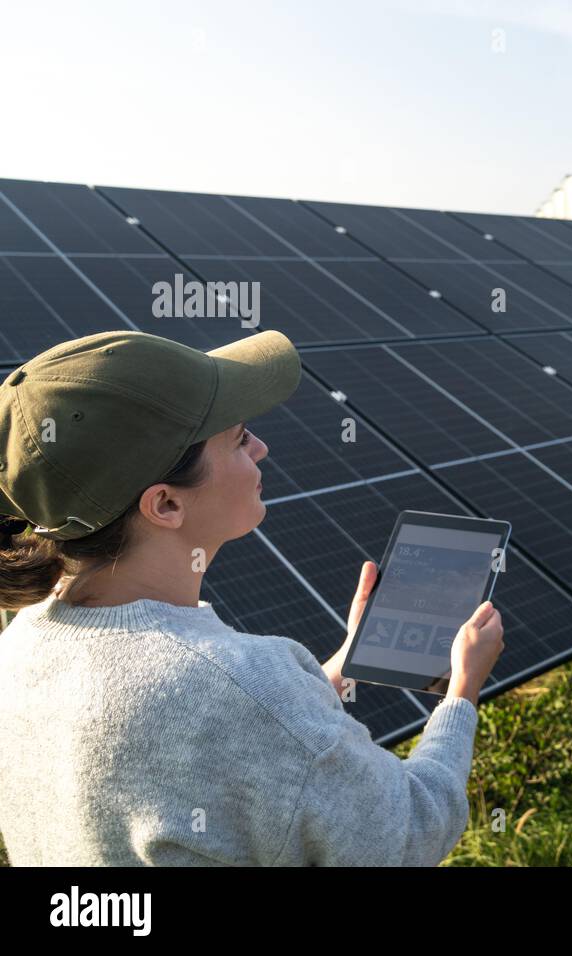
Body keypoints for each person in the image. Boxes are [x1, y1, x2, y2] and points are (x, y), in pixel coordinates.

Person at [0, 329, 504, 865]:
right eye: (239, 437)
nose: (261, 447)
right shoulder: (238, 684)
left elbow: (229, 738)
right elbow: (410, 831)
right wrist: (462, 695)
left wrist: (348, 661)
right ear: (166, 504)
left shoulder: (24, 640)